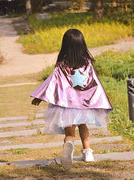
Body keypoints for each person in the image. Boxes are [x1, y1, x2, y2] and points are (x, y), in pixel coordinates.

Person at [31, 29, 112, 170]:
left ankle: (69, 146)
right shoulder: (87, 64)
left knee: (70, 132)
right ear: (82, 45)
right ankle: (88, 153)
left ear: (65, 45)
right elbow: (95, 84)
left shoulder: (62, 65)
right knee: (83, 126)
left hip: (67, 106)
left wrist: (40, 96)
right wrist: (101, 101)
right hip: (84, 105)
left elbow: (52, 83)